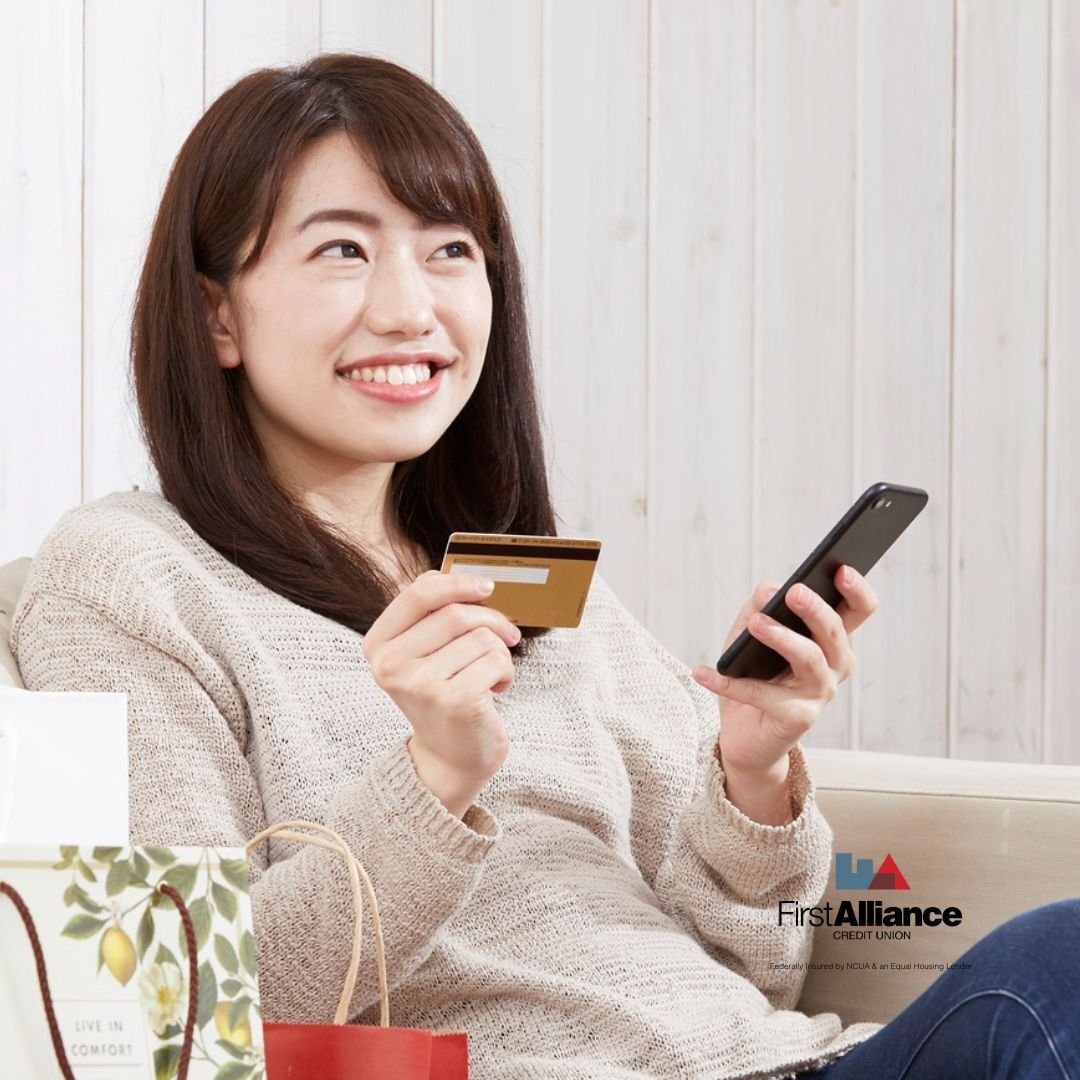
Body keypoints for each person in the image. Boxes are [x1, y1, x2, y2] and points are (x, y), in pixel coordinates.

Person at [9, 53, 1077, 1080]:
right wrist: (432, 779)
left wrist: (749, 780)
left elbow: (762, 967)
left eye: (451, 250)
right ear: (215, 313)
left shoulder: (534, 584)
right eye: (343, 250)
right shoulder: (129, 582)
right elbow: (183, 1007)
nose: (410, 309)